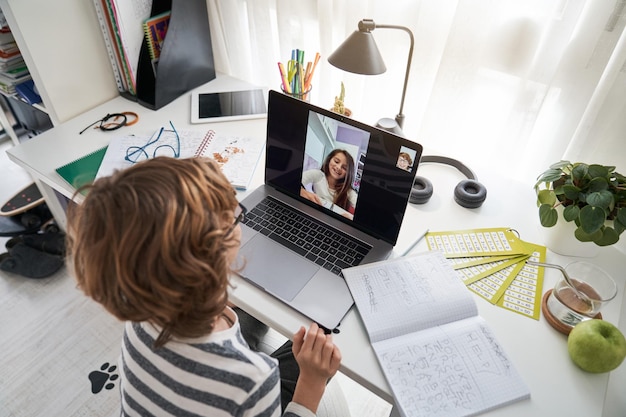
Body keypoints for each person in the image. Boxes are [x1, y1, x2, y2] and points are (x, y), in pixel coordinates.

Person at [66, 156, 341, 417]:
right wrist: (311, 385)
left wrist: (216, 298)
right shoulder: (255, 380)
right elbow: (271, 383)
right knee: (318, 355)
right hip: (240, 393)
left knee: (257, 319)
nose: (238, 214)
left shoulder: (139, 322)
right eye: (233, 215)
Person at [300, 148, 357, 218]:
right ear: (329, 160)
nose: (338, 167)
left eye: (344, 168)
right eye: (336, 161)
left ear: (348, 173)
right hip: (314, 214)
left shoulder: (348, 191)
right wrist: (302, 191)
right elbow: (293, 180)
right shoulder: (318, 175)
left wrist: (350, 218)